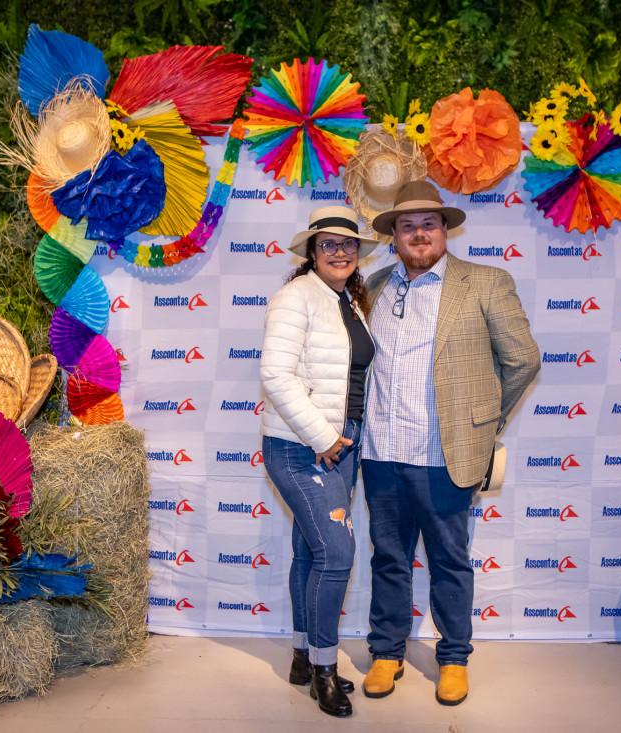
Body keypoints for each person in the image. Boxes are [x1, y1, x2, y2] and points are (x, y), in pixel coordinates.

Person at [359, 180, 540, 706]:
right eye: (407, 226)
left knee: (449, 561)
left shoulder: (485, 282)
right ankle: (387, 652)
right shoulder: (374, 285)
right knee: (388, 559)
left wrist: (483, 423)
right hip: (381, 451)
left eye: (428, 224)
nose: (418, 234)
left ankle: (454, 658)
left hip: (443, 454)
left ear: (445, 230)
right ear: (394, 236)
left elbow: (523, 360)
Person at [259, 205, 378, 718]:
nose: (340, 251)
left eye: (348, 244)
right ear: (311, 251)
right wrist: (324, 437)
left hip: (340, 443)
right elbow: (275, 374)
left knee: (310, 552)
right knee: (337, 553)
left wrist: (341, 438)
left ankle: (303, 658)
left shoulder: (346, 301)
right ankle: (324, 671)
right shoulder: (296, 297)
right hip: (301, 445)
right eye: (328, 243)